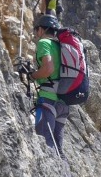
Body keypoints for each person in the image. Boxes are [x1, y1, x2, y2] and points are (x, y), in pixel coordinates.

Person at [28, 14, 70, 155]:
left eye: (36, 31)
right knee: (58, 149)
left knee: (46, 145)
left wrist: (32, 75)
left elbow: (48, 69)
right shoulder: (60, 45)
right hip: (63, 102)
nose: (36, 35)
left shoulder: (44, 43)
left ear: (41, 30)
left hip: (48, 99)